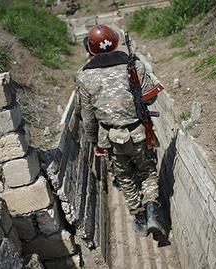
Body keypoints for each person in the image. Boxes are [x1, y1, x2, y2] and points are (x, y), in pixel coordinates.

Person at [75, 24, 166, 239]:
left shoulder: (84, 76)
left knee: (124, 176)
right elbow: (151, 97)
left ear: (91, 49)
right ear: (115, 42)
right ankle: (153, 209)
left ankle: (140, 218)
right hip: (138, 132)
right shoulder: (133, 65)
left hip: (110, 138)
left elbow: (88, 116)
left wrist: (94, 142)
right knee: (147, 171)